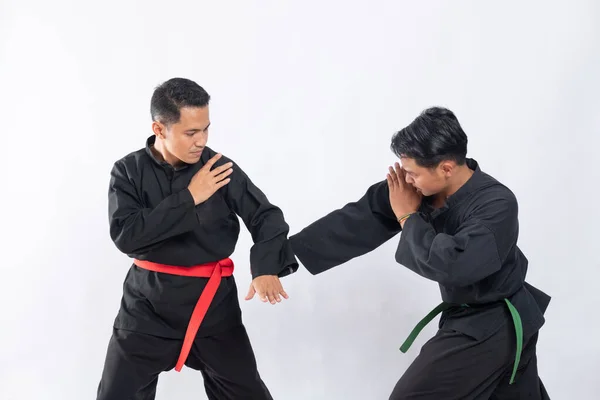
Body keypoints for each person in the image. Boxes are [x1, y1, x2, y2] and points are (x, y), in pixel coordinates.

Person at [289, 107, 551, 399]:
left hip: (494, 322)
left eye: (412, 173)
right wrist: (283, 255)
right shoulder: (422, 189)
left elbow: (455, 264)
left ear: (447, 168)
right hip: (473, 319)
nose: (407, 180)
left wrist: (407, 218)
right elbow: (360, 218)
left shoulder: (496, 204)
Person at [96, 77, 298, 400]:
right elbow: (127, 234)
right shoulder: (128, 172)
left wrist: (264, 267)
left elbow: (266, 216)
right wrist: (190, 197)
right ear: (159, 129)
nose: (201, 141)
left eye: (206, 129)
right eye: (191, 132)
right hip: (146, 307)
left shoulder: (219, 169)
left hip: (213, 306)